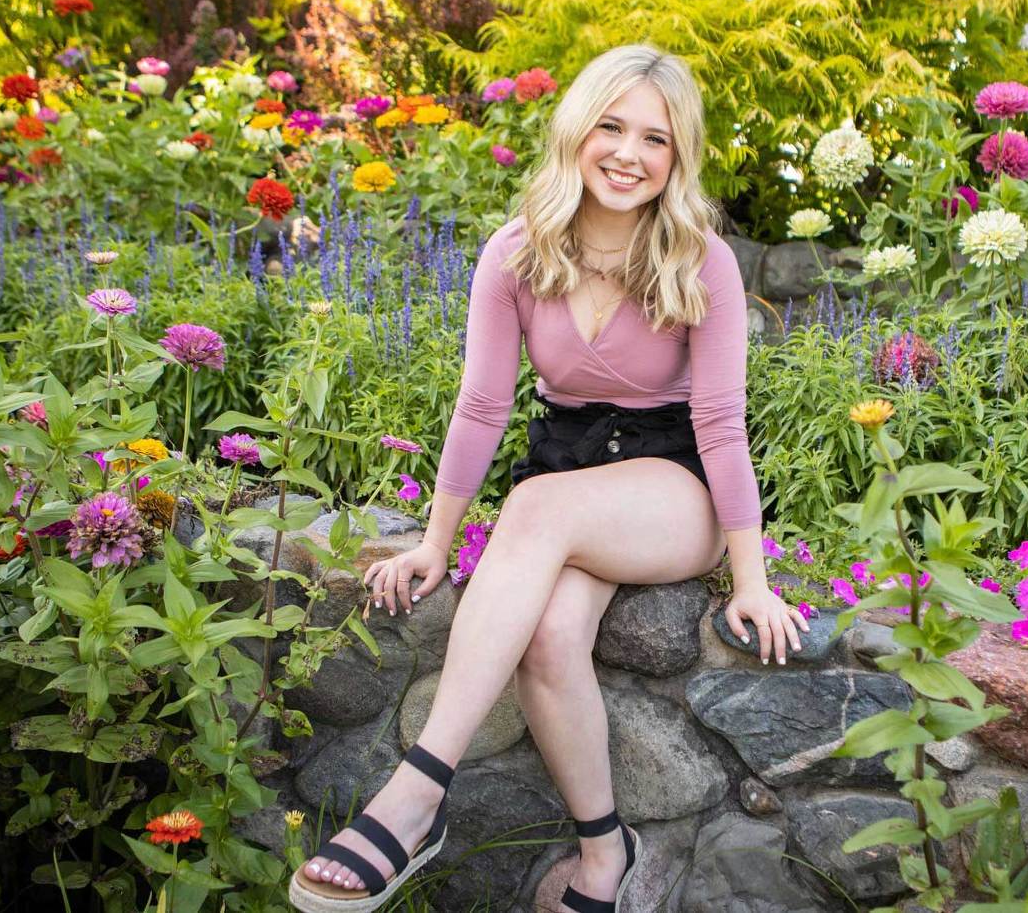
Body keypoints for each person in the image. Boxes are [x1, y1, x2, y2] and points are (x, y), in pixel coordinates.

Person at [290, 45, 810, 913]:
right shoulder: (517, 254)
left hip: (670, 486)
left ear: (678, 158)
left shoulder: (700, 260)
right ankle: (607, 856)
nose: (629, 154)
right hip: (568, 473)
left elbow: (721, 423)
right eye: (611, 125)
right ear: (577, 129)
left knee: (533, 506)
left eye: (657, 138)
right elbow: (482, 406)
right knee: (550, 635)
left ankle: (415, 795)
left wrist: (750, 580)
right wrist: (434, 544)